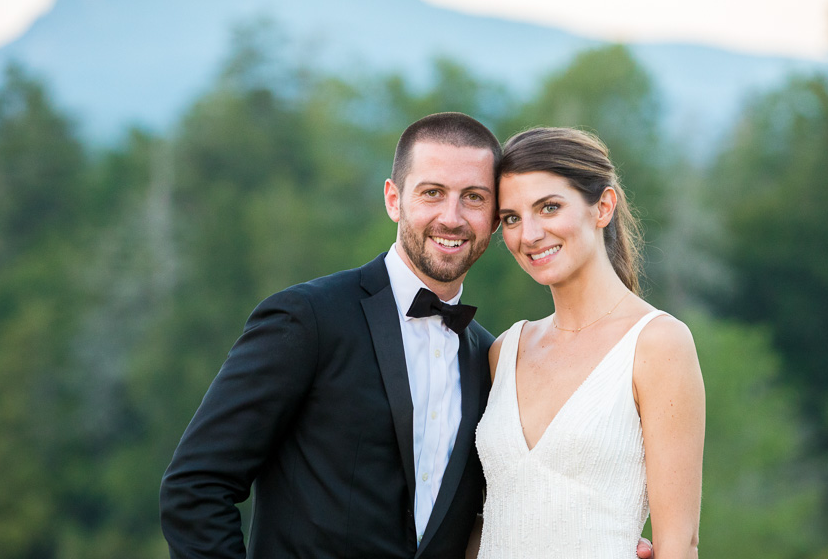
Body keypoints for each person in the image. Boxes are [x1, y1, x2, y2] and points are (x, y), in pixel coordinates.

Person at [160, 113, 654, 559]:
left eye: (475, 199)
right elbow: (195, 488)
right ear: (394, 199)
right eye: (432, 193)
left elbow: (500, 510)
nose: (452, 217)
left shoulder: (493, 356)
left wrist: (597, 542)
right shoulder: (308, 319)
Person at [473, 127, 705, 559]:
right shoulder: (504, 350)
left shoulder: (657, 344)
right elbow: (487, 519)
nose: (530, 234)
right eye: (511, 218)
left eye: (549, 207)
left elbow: (679, 544)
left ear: (603, 206)